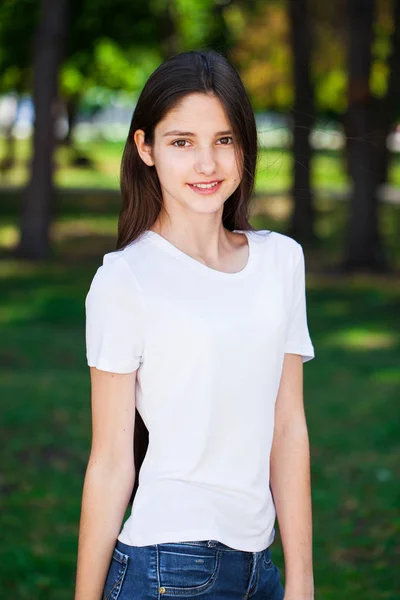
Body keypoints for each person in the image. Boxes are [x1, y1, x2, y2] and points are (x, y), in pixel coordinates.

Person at [74, 49, 315, 600]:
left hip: (263, 568)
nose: (206, 164)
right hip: (167, 567)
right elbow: (111, 461)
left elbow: (288, 428)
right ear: (146, 148)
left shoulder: (281, 262)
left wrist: (300, 579)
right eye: (182, 142)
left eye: (224, 140)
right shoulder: (125, 278)